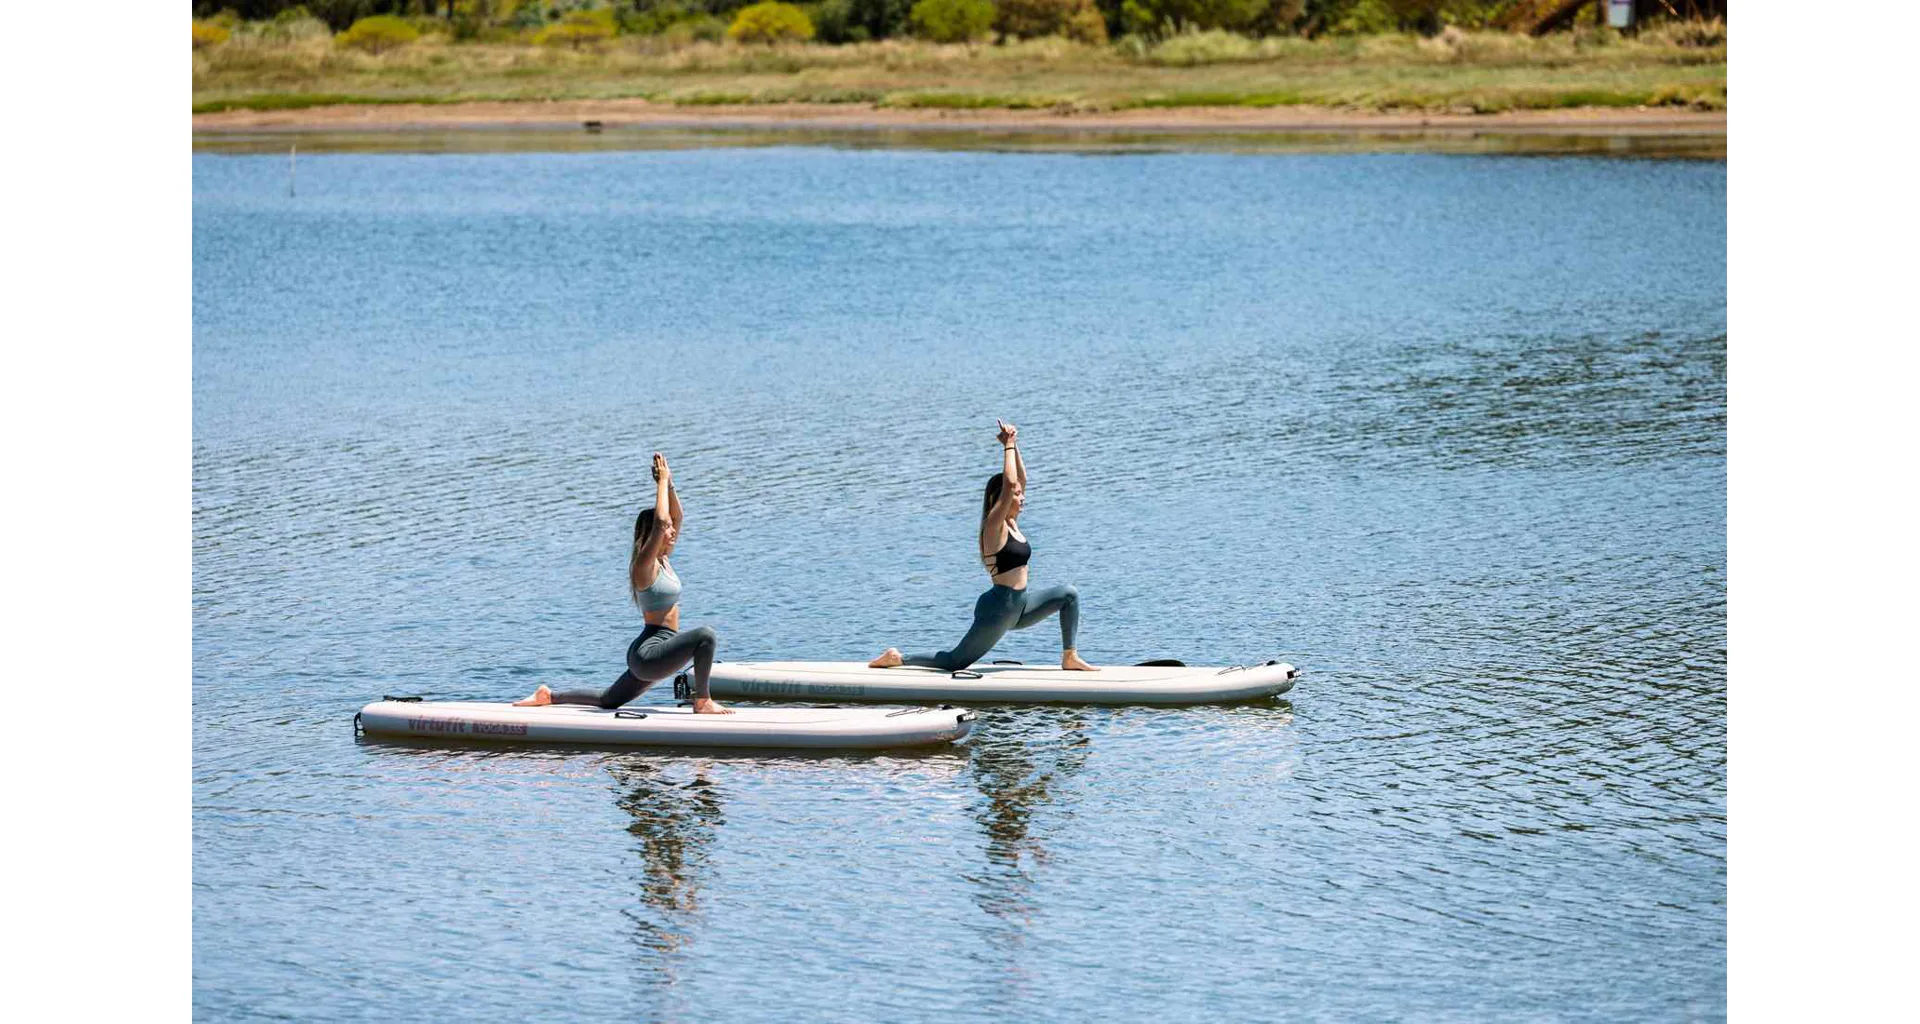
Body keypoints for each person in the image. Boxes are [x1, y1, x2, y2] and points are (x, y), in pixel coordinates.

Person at [870, 420, 1097, 674]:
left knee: (1069, 595)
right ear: (1001, 499)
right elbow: (1010, 484)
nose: (1022, 497)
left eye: (1021, 493)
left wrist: (1014, 445)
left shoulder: (1012, 523)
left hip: (1021, 606)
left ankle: (1070, 657)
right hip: (999, 609)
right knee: (954, 662)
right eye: (1017, 495)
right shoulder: (994, 526)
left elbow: (1019, 479)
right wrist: (1007, 447)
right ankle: (898, 657)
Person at [518, 452, 731, 713]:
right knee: (705, 636)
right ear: (653, 534)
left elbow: (676, 517)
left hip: (657, 652)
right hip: (650, 653)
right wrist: (661, 482)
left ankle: (549, 696)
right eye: (667, 529)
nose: (673, 530)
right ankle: (703, 701)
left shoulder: (664, 559)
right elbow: (661, 521)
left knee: (608, 700)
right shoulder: (644, 567)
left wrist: (669, 483)